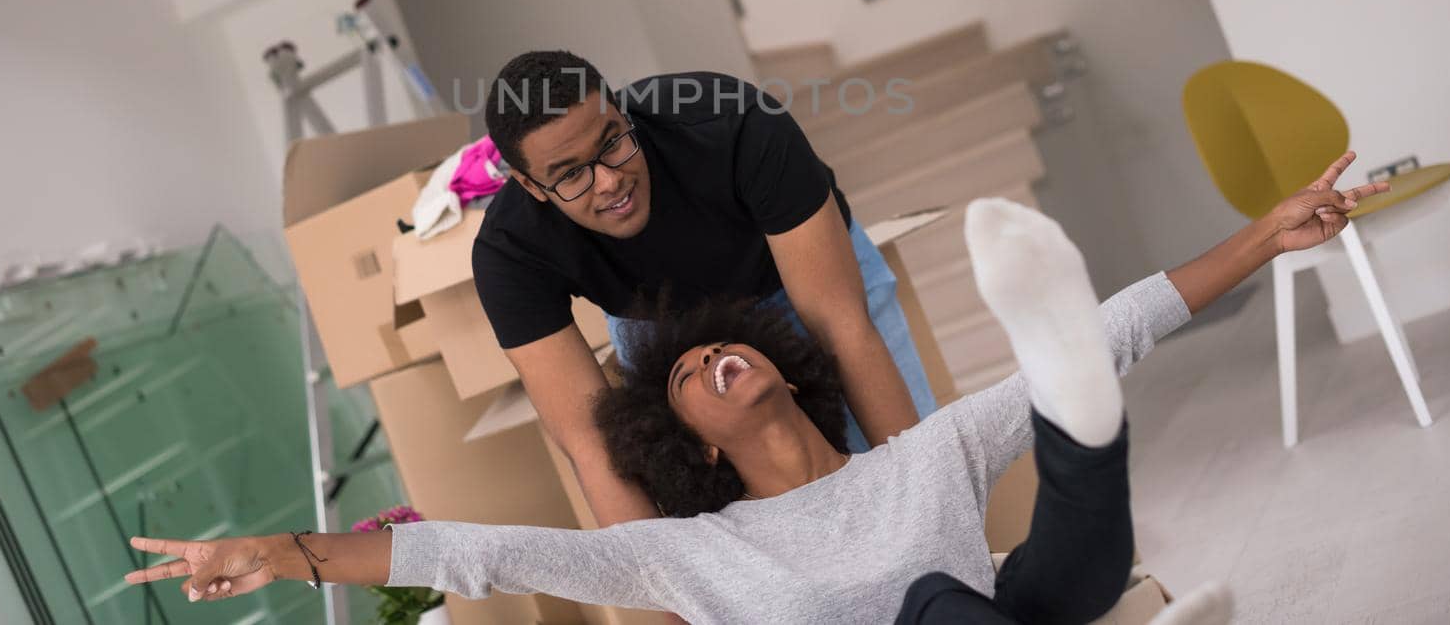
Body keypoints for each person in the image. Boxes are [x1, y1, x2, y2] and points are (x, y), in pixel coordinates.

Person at [125, 154, 1381, 623]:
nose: (714, 356)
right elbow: (473, 556)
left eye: (723, 348)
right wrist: (281, 553)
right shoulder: (686, 556)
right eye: (684, 377)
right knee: (946, 606)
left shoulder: (917, 461)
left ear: (785, 371)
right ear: (694, 449)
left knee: (1057, 442)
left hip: (1008, 612)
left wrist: (1264, 238)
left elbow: (1120, 327)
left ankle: (1075, 423)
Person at [471, 49, 937, 530]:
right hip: (659, 325)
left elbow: (842, 327)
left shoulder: (733, 119)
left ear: (620, 110)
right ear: (529, 185)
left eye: (612, 144)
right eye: (571, 174)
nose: (609, 182)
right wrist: (683, 600)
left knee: (902, 475)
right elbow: (590, 445)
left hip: (792, 277)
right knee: (731, 526)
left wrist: (925, 512)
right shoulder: (509, 252)